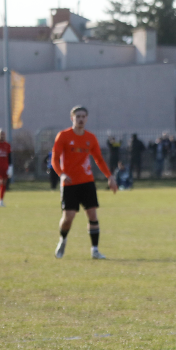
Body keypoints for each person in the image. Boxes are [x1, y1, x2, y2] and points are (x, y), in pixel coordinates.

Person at [52, 106, 118, 259]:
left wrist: (110, 176)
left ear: (86, 118)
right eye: (78, 116)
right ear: (72, 118)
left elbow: (99, 160)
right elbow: (54, 159)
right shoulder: (63, 136)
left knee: (92, 214)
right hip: (69, 183)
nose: (81, 119)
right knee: (68, 217)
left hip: (87, 182)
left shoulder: (91, 138)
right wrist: (61, 175)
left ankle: (95, 250)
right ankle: (63, 239)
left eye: (83, 116)